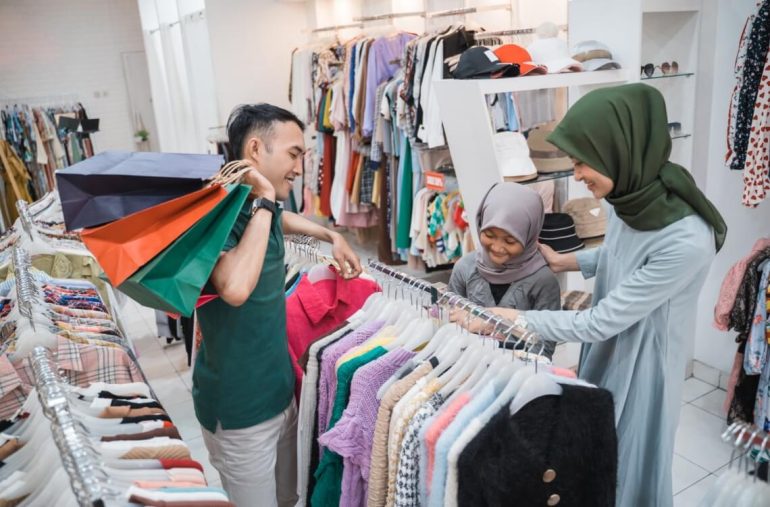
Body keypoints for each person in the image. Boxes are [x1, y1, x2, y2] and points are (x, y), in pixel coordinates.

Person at [452, 83, 727, 506]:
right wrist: (567, 261)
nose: (577, 175)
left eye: (582, 162)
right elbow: (619, 253)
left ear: (619, 149)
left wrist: (514, 319)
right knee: (590, 449)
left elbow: (601, 320)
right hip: (607, 345)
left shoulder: (687, 239)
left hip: (644, 363)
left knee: (625, 462)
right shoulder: (631, 197)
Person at [193, 103, 362, 507]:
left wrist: (330, 235)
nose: (300, 168)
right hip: (239, 411)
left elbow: (280, 220)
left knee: (289, 498)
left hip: (280, 395)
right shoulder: (215, 212)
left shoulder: (257, 207)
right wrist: (267, 198)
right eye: (293, 154)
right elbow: (234, 287)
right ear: (255, 149)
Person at [447, 182, 560, 358]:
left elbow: (544, 347)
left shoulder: (543, 281)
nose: (497, 247)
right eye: (489, 235)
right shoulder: (465, 268)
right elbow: (449, 324)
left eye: (510, 241)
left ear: (529, 236)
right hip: (466, 366)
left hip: (521, 371)